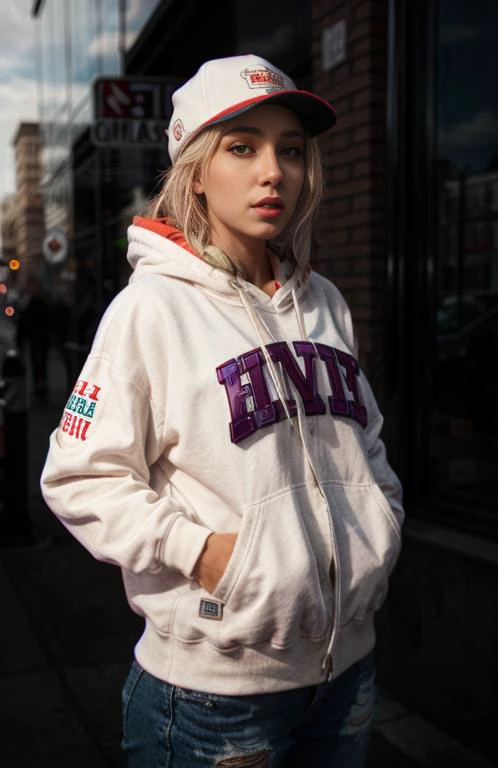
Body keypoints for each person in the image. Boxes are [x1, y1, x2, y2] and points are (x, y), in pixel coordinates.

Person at [40, 54, 404, 768]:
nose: (274, 171)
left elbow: (366, 443)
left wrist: (380, 522)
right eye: (243, 147)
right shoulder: (151, 308)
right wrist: (202, 555)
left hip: (347, 671)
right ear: (196, 170)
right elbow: (79, 477)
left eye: (290, 150)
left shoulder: (325, 301)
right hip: (212, 695)